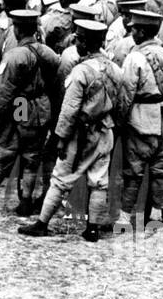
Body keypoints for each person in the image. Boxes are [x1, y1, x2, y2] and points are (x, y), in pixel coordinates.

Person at [18, 20, 120, 239]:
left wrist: (60, 138)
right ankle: (92, 228)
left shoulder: (80, 72)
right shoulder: (115, 69)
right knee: (99, 181)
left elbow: (69, 110)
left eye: (79, 39)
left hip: (80, 134)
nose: (77, 43)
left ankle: (42, 223)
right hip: (105, 130)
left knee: (60, 178)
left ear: (84, 43)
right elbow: (121, 101)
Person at [0, 8, 59, 216]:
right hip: (40, 109)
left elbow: (2, 92)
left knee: (2, 152)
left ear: (17, 30)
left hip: (20, 107)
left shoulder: (14, 56)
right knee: (31, 157)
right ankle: (25, 202)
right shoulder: (48, 53)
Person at [116, 8, 163, 225]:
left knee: (133, 172)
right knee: (160, 170)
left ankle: (125, 218)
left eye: (134, 28)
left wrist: (120, 121)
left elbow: (126, 94)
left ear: (142, 32)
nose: (131, 31)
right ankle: (156, 215)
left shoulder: (134, 58)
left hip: (139, 119)